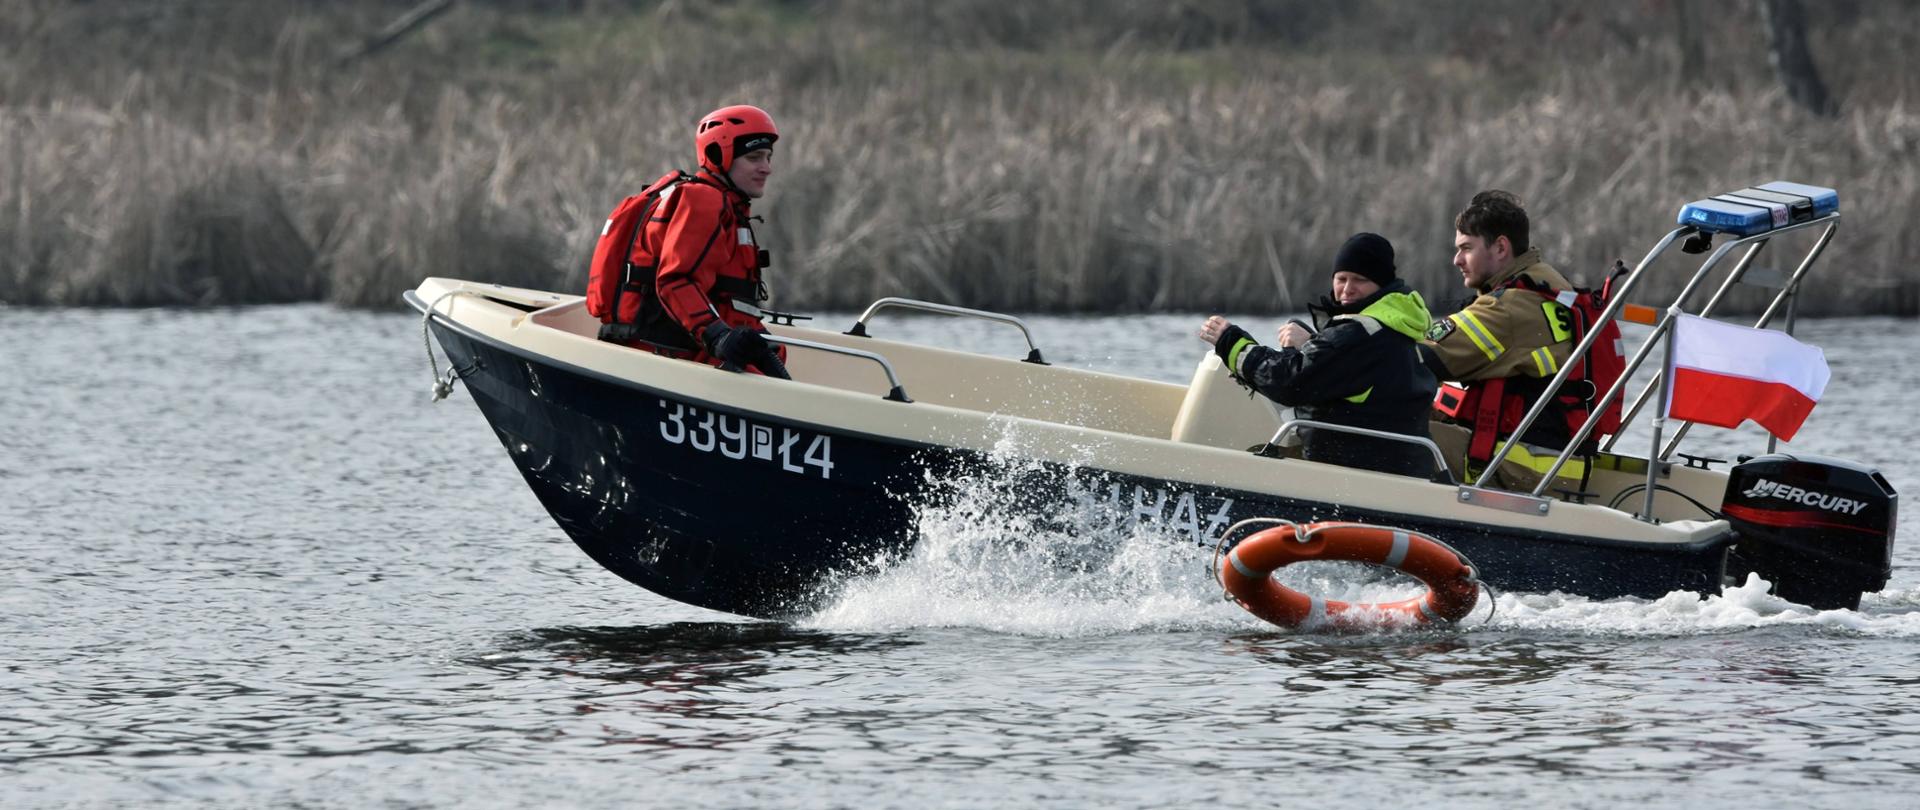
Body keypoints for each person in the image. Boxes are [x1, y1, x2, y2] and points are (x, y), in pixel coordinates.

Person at [1198, 233, 1439, 478]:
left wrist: (1231, 343)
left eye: (1360, 280)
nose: (1347, 289)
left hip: (1355, 477)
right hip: (1393, 472)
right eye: (1341, 278)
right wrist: (1314, 343)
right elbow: (1341, 369)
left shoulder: (1362, 334)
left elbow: (1288, 383)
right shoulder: (1393, 327)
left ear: (1382, 284)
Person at [605, 104, 786, 375]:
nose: (766, 168)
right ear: (718, 155)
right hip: (674, 364)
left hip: (703, 360)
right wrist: (718, 336)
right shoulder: (704, 201)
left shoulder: (730, 209)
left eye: (768, 158)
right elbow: (674, 281)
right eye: (755, 158)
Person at [1419, 190, 1577, 488]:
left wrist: (1332, 348)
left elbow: (1422, 356)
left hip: (1523, 461)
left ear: (1501, 247)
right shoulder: (1551, 288)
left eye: (1466, 248)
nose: (1456, 260)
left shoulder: (1509, 307)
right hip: (1556, 458)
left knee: (1387, 431)